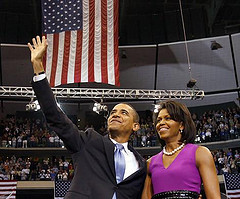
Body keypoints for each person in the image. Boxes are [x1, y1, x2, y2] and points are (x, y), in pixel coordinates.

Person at [27, 36, 147, 199]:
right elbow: (56, 117)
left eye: (124, 113)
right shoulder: (89, 141)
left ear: (136, 126)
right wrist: (38, 66)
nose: (116, 114)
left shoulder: (141, 164)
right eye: (113, 112)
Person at [141, 100, 221, 199]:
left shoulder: (200, 153)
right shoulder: (150, 163)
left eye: (168, 118)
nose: (161, 123)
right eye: (159, 120)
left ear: (181, 125)